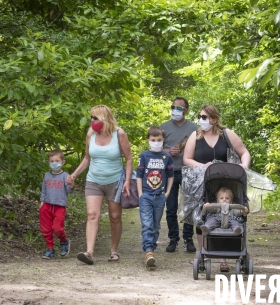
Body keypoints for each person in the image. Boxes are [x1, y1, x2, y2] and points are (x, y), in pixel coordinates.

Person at [182, 104, 251, 271]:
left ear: (214, 119)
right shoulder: (195, 136)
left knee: (227, 216)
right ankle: (202, 253)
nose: (201, 120)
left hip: (227, 183)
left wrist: (243, 167)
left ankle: (224, 259)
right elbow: (186, 159)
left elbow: (244, 153)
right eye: (200, 117)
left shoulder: (227, 134)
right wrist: (201, 165)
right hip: (202, 183)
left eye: (204, 117)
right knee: (203, 216)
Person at [67, 105, 133, 265]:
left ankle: (114, 251)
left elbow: (129, 159)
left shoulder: (119, 134)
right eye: (91, 117)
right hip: (93, 180)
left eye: (95, 118)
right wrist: (74, 174)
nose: (92, 121)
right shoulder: (91, 134)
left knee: (115, 217)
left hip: (115, 181)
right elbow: (87, 158)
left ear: (105, 118)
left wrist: (127, 181)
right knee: (92, 215)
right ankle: (89, 252)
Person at [160, 96, 198, 253]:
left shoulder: (194, 128)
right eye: (173, 107)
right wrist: (169, 151)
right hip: (169, 172)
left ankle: (188, 239)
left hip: (189, 172)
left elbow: (200, 148)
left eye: (179, 108)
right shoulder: (163, 127)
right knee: (171, 208)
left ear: (186, 110)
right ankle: (173, 239)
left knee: (190, 207)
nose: (175, 111)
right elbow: (155, 149)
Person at [136, 126, 174, 268]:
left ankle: (151, 247)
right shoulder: (144, 156)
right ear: (148, 140)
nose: (156, 142)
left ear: (163, 140)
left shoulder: (167, 157)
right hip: (146, 195)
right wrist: (140, 194)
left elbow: (171, 176)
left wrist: (167, 192)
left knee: (156, 225)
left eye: (159, 140)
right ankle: (149, 251)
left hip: (160, 196)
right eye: (153, 140)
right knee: (147, 225)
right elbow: (139, 176)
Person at [39, 149, 75, 259]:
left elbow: (69, 191)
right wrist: (42, 202)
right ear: (49, 162)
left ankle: (64, 241)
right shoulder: (47, 175)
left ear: (63, 162)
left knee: (57, 228)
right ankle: (50, 249)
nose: (54, 163)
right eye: (52, 161)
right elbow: (43, 190)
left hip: (59, 206)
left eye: (57, 160)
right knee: (45, 229)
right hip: (46, 205)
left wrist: (72, 184)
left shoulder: (65, 176)